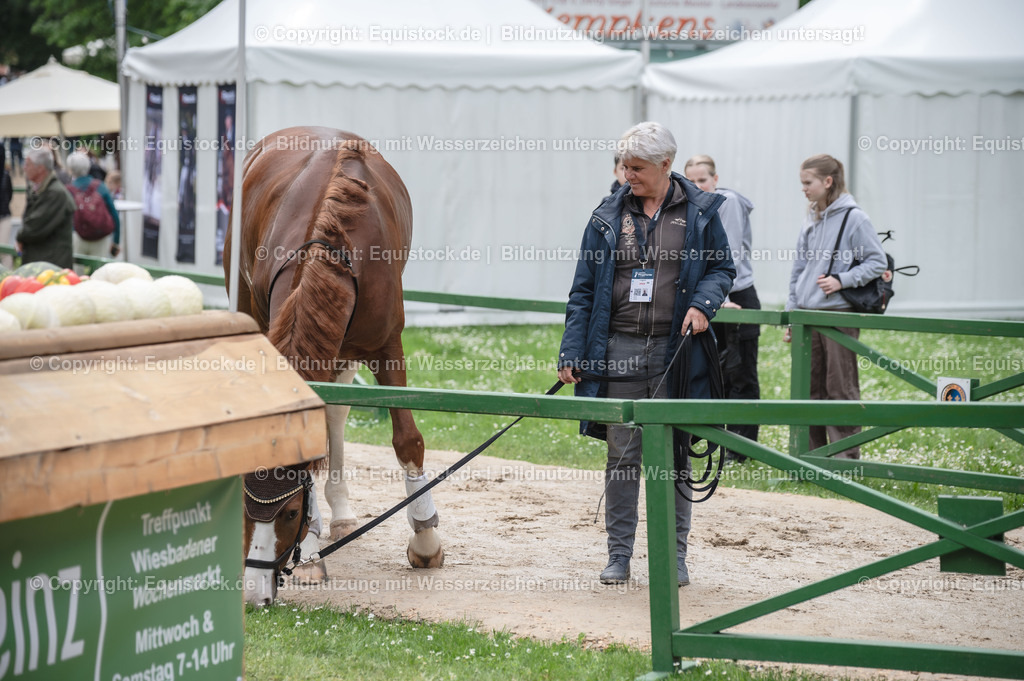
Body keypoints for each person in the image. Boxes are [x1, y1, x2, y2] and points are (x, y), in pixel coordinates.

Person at [558, 122, 735, 586]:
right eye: (624, 166)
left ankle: (673, 559)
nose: (627, 175)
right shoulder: (606, 215)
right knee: (622, 457)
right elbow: (582, 290)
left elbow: (722, 268)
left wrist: (703, 304)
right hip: (618, 348)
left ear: (666, 164)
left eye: (637, 168)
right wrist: (572, 349)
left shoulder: (701, 211)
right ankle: (618, 556)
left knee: (674, 457)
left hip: (677, 351)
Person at [784, 154, 887, 460]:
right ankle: (811, 458)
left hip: (838, 315)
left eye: (808, 182)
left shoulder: (855, 218)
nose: (803, 188)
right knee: (808, 388)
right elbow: (799, 268)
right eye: (801, 183)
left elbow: (877, 261)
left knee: (839, 387)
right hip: (806, 315)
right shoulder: (811, 216)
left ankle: (845, 459)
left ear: (828, 181)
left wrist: (842, 280)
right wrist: (792, 314)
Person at [683, 155, 761, 464]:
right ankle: (719, 443)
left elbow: (731, 254)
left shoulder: (727, 203)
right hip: (712, 296)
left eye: (702, 180)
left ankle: (742, 449)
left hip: (735, 294)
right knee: (715, 372)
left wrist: (723, 296)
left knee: (740, 373)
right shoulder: (692, 207)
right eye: (691, 181)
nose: (697, 185)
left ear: (715, 179)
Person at [18, 147, 75, 269]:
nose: (24, 168)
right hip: (43, 262)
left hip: (51, 266)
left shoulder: (55, 193)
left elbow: (34, 227)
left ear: (40, 168)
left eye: (28, 164)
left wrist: (20, 236)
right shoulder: (41, 189)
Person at [66, 151, 120, 259]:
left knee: (77, 269)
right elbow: (114, 214)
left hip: (77, 236)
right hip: (100, 236)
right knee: (99, 269)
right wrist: (116, 241)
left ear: (70, 169)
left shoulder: (68, 190)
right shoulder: (101, 186)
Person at [0, 144, 13, 268]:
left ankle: (8, 274)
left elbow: (9, 194)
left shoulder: (5, 175)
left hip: (4, 216)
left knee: (4, 250)